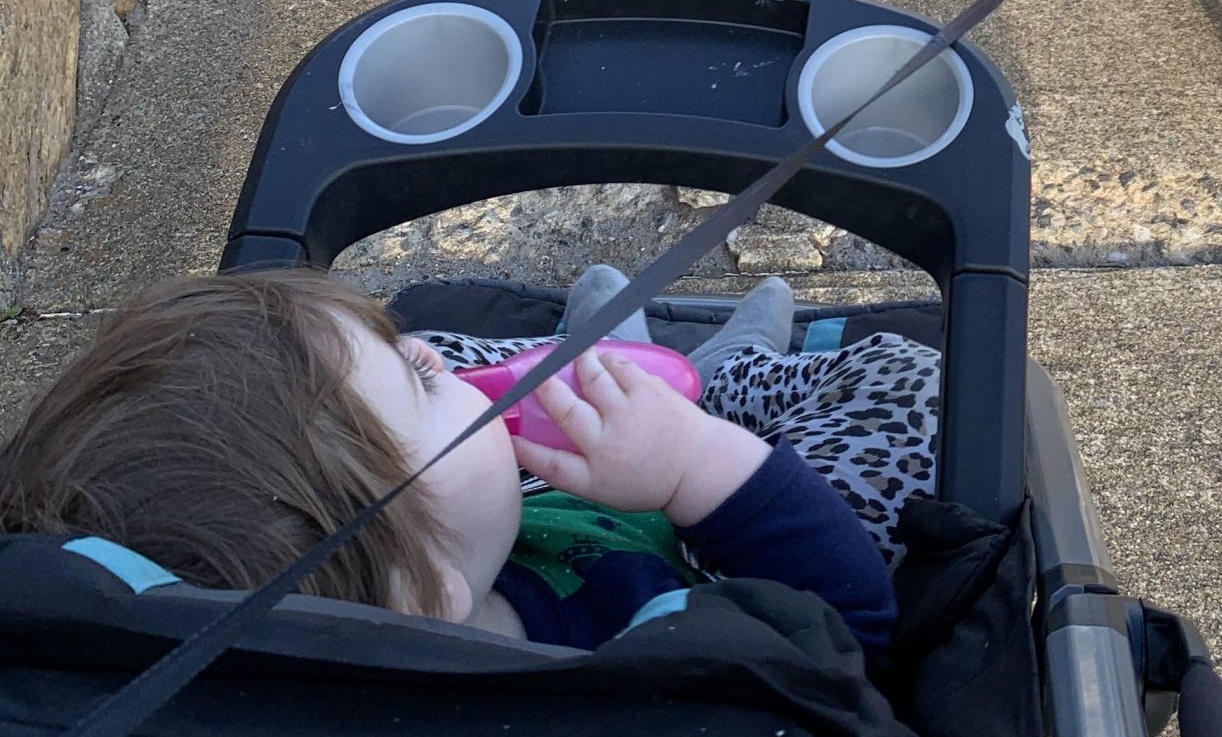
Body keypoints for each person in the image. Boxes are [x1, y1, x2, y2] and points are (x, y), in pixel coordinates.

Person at [0, 272, 896, 653]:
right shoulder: (641, 646)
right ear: (424, 597)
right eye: (419, 378)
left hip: (556, 481)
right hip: (666, 497)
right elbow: (847, 628)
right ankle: (739, 347)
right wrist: (696, 462)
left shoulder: (455, 544)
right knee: (716, 385)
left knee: (595, 371)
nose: (430, 346)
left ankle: (608, 325)